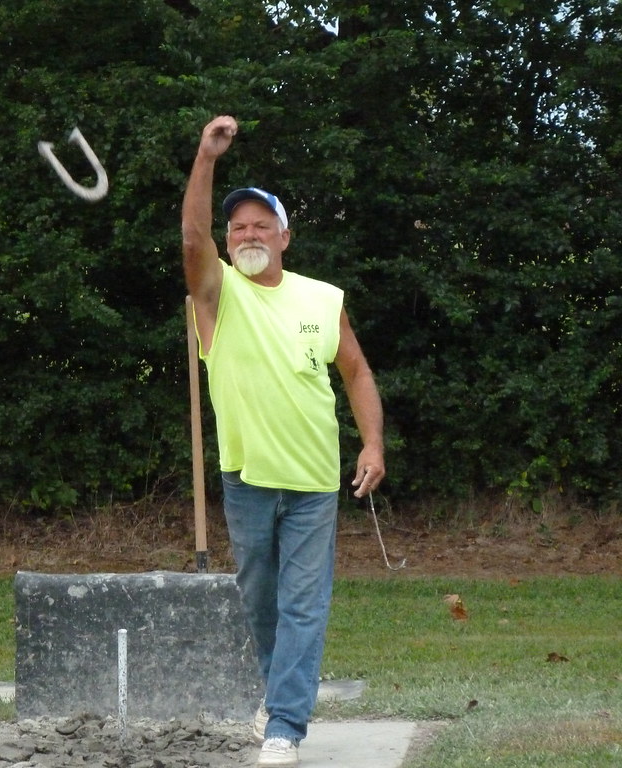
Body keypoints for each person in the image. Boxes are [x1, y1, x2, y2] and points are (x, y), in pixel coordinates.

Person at [181, 116, 385, 768]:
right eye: (237, 226)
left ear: (285, 236)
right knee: (261, 602)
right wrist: (205, 160)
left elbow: (356, 371)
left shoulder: (323, 299)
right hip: (246, 478)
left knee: (303, 605)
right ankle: (276, 696)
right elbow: (192, 237)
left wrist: (372, 445)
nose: (246, 233)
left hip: (315, 482)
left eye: (259, 224)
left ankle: (286, 726)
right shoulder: (218, 295)